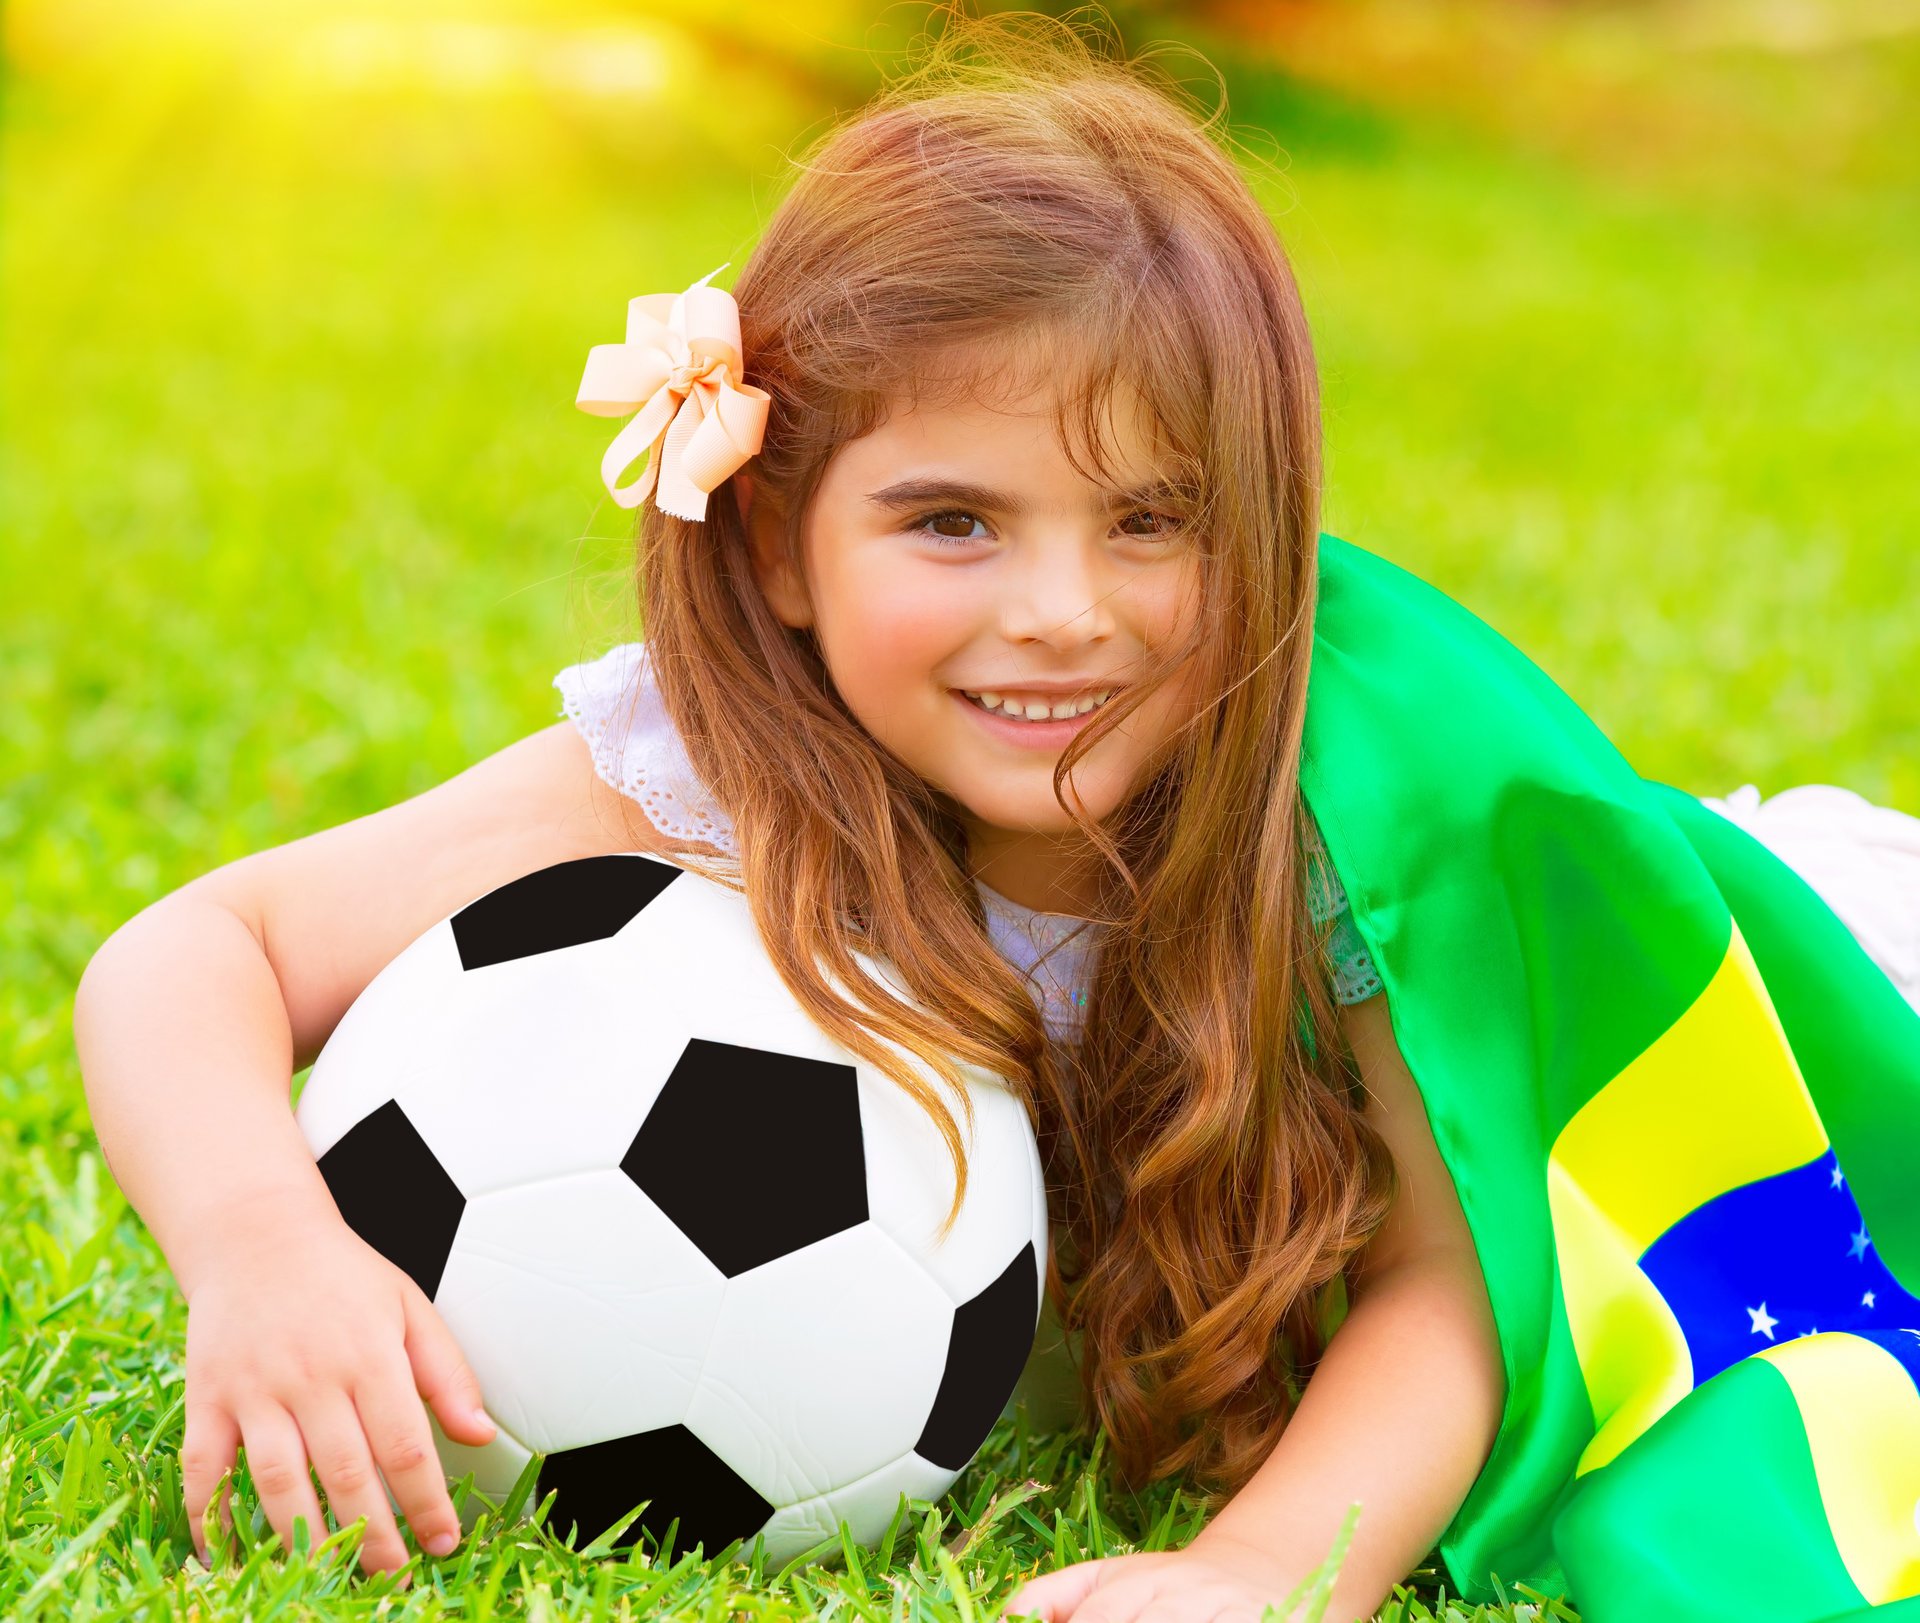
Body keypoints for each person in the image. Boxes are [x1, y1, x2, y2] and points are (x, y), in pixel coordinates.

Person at [71, 12, 1920, 1620]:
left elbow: (1452, 1283)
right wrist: (262, 1243)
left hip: (1793, 964)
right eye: (952, 522)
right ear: (781, 534)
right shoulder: (713, 765)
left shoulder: (1347, 818)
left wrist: (1264, 1570)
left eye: (1152, 521)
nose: (1062, 612)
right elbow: (193, 953)